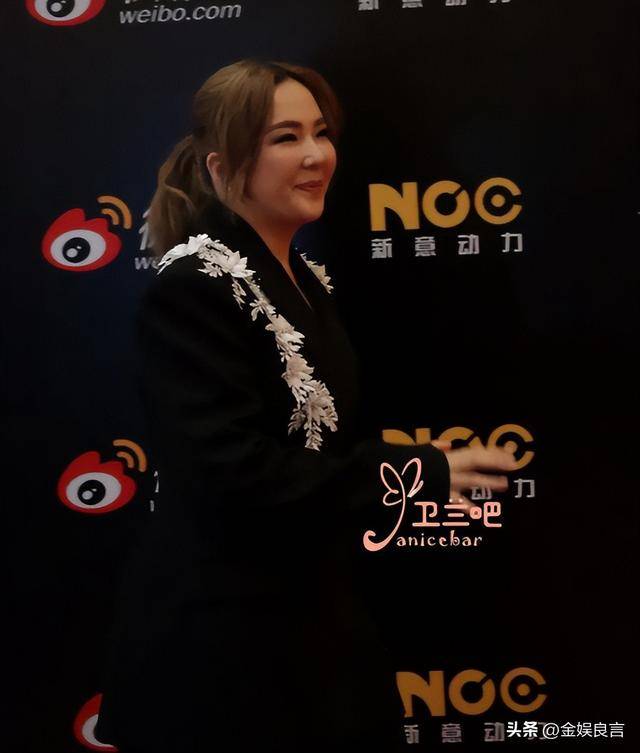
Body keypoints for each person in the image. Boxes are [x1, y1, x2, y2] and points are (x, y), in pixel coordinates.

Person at [95, 58, 517, 753]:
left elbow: (314, 454)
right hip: (221, 652)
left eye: (321, 132)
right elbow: (237, 474)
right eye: (285, 138)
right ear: (222, 165)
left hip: (305, 631)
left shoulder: (301, 278)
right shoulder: (195, 286)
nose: (317, 155)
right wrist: (409, 473)